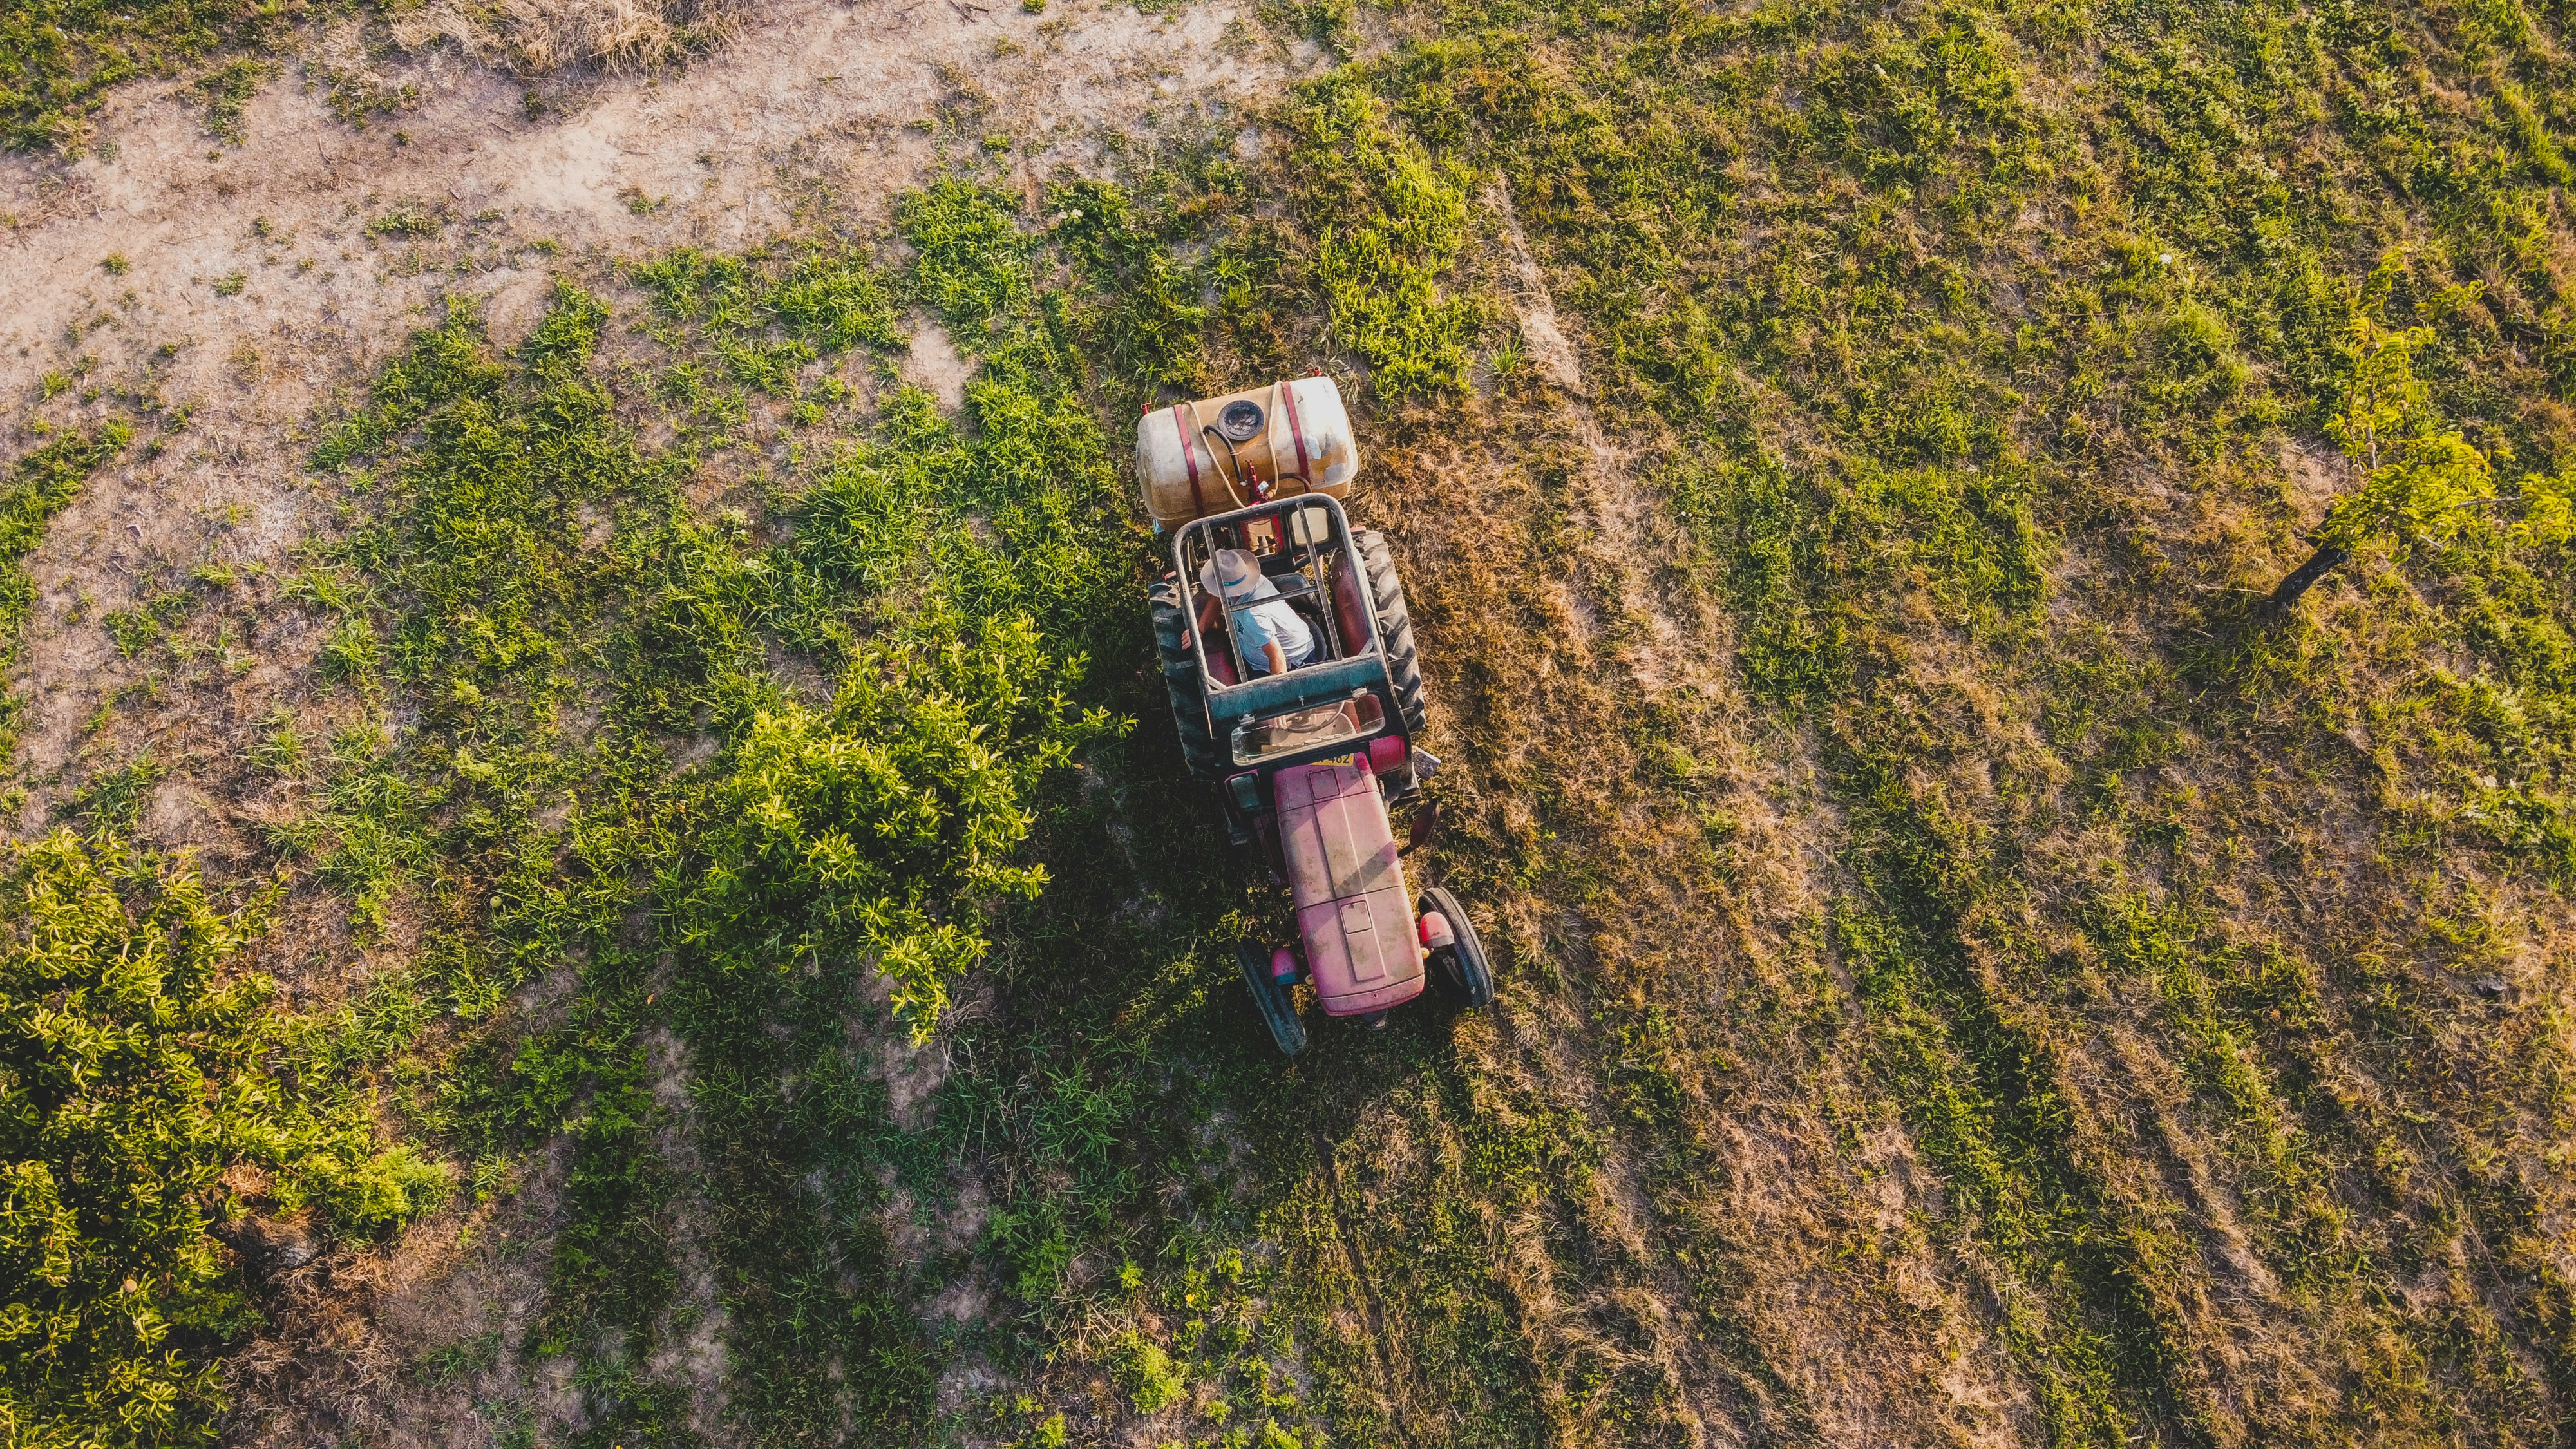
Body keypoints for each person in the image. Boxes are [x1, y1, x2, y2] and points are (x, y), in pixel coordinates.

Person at [1195, 547, 1315, 678]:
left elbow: (1277, 656)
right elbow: (1218, 596)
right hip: (1259, 657)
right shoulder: (1244, 581)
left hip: (1291, 663)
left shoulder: (1253, 615)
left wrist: (1277, 692)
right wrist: (1200, 629)